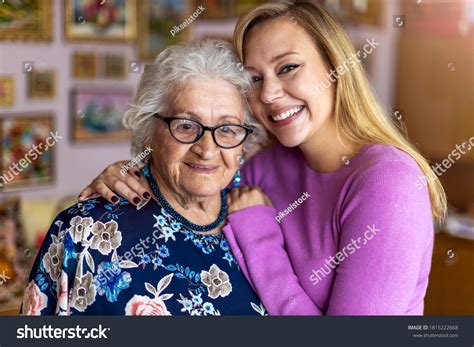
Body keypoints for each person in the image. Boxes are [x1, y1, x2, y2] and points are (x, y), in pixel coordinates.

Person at [78, 0, 447, 315]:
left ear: (336, 68)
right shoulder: (264, 165)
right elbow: (193, 188)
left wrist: (258, 235)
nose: (269, 93)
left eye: (288, 67)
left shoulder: (389, 182)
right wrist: (130, 176)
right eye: (254, 78)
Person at [21, 39, 269, 316]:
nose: (207, 150)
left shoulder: (261, 221)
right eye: (186, 126)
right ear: (149, 128)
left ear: (244, 141)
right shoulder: (84, 231)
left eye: (227, 129)